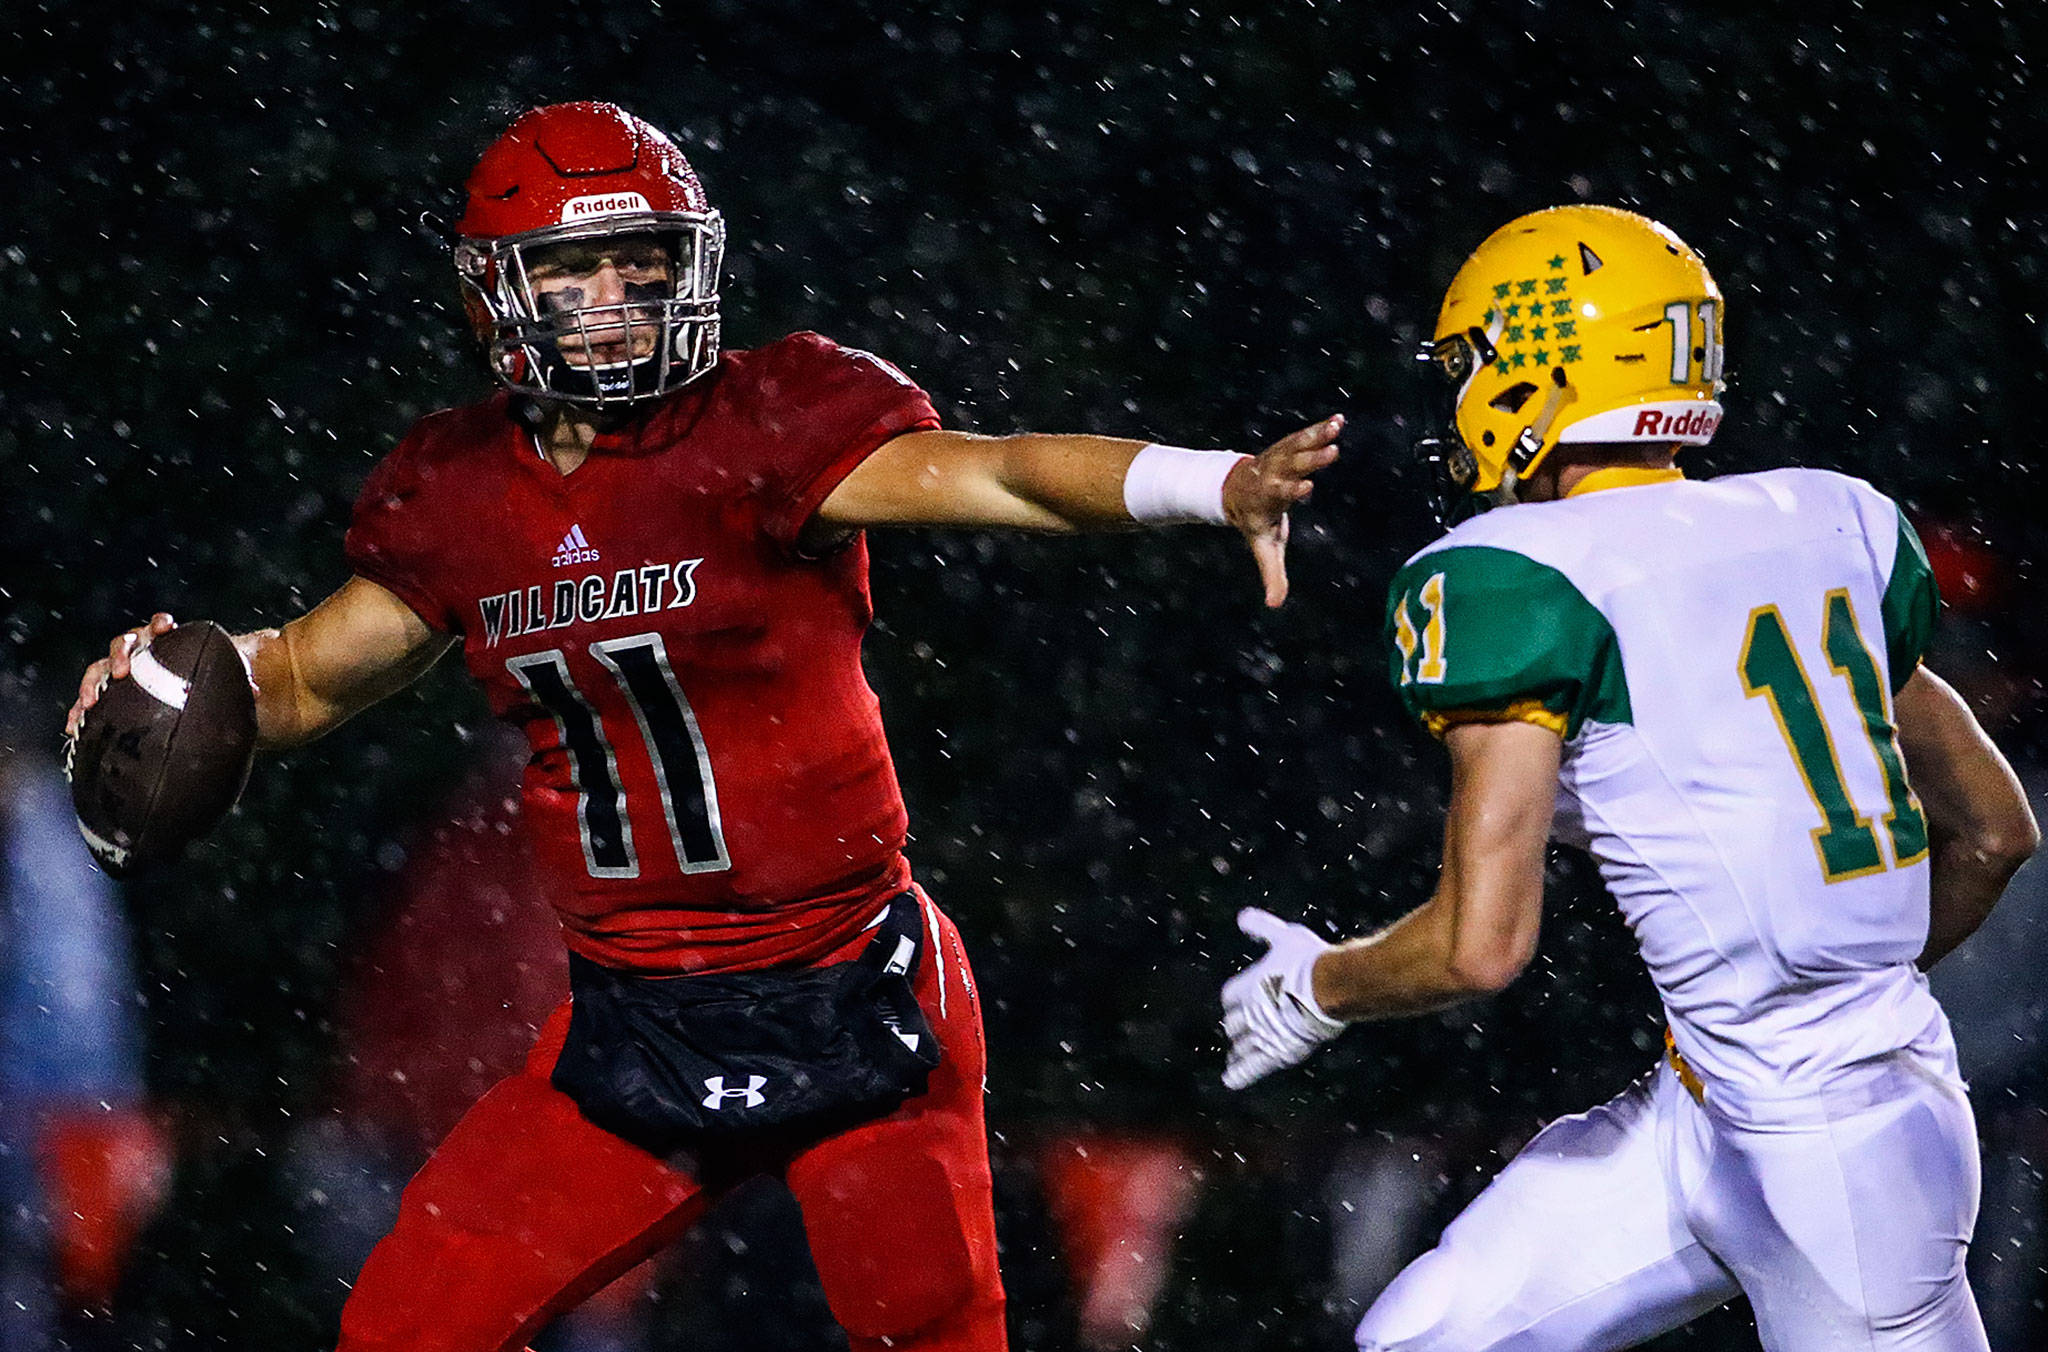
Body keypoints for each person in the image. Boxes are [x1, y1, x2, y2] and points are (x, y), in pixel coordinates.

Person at [66, 101, 1340, 1352]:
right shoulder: (457, 493)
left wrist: (1206, 481)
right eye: (580, 265)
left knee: (935, 1335)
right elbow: (296, 677)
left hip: (854, 985)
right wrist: (176, 677)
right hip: (637, 1022)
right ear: (497, 292)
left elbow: (996, 469)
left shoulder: (763, 426)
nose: (622, 291)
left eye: (646, 258)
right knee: (404, 1324)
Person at [1219, 204, 2039, 1351]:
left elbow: (1478, 943)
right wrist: (1836, 984)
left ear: (1541, 368)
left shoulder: (1516, 573)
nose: (1460, 393)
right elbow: (1995, 831)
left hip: (1824, 1154)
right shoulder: (1829, 521)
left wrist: (1320, 985)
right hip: (1738, 1109)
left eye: (1476, 364)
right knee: (1422, 1335)